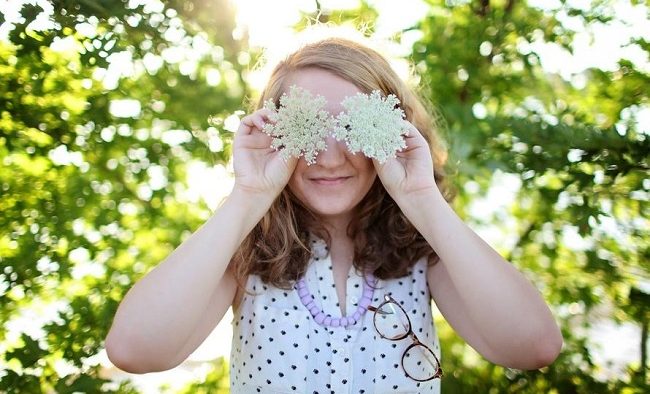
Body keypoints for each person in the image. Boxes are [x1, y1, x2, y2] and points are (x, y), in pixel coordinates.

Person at [105, 31, 563, 393]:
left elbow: (533, 345)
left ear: (394, 129)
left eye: (353, 126)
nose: (328, 157)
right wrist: (247, 193)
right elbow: (136, 350)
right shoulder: (246, 249)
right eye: (306, 127)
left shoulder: (423, 248)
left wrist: (422, 197)